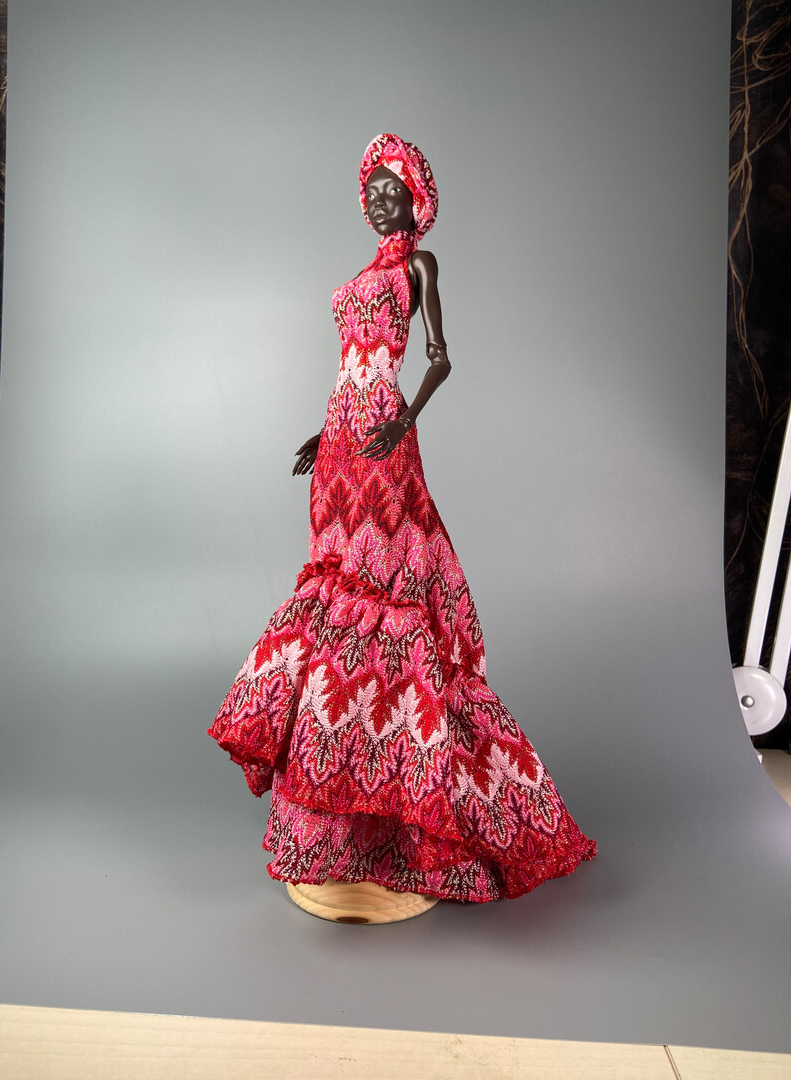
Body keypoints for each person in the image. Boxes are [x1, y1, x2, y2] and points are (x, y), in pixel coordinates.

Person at [207, 132, 597, 906]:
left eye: (394, 190)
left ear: (417, 201)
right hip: (341, 440)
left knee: (382, 590)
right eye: (373, 190)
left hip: (383, 433)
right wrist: (325, 433)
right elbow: (347, 365)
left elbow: (440, 357)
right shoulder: (362, 275)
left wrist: (402, 420)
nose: (381, 199)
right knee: (333, 589)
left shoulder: (420, 266)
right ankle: (344, 798)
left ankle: (399, 798)